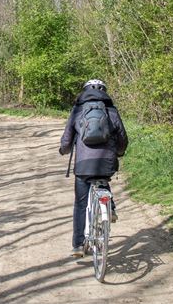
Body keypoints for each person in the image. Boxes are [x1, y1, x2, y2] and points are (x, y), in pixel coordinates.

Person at [59, 79, 128, 258]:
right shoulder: (111, 111)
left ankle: (78, 245)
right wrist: (119, 152)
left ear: (84, 92)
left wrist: (63, 150)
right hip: (106, 163)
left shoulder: (77, 111)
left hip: (83, 165)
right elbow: (122, 139)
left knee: (81, 204)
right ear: (104, 91)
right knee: (103, 178)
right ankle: (110, 207)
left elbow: (67, 139)